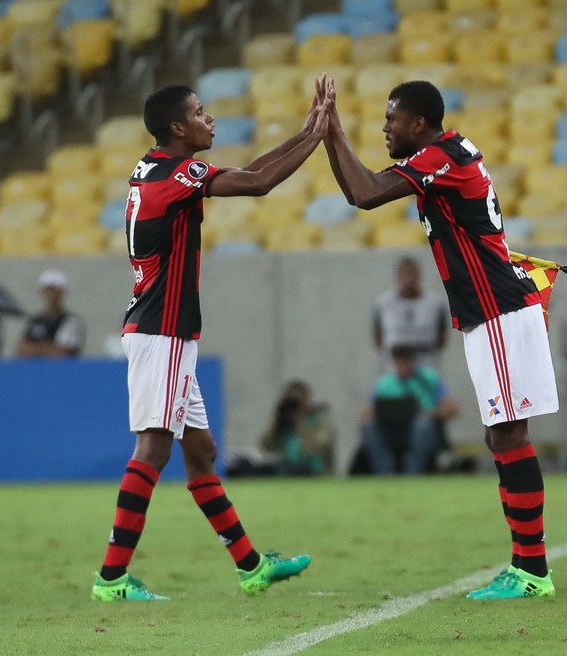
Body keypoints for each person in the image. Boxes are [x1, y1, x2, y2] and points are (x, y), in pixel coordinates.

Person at [91, 78, 332, 601]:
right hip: (163, 331)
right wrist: (314, 137)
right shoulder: (175, 177)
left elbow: (250, 172)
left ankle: (250, 566)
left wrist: (304, 131)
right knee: (153, 450)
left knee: (201, 452)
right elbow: (258, 183)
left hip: (162, 329)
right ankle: (111, 579)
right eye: (201, 112)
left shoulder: (153, 166)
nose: (211, 119)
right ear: (178, 127)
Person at [323, 78, 559, 599]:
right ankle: (527, 566)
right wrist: (330, 137)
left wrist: (332, 130)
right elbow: (359, 189)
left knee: (509, 435)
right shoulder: (445, 154)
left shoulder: (440, 158)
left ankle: (533, 571)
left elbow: (363, 194)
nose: (384, 127)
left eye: (392, 119)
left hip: (498, 309)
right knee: (501, 435)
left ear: (420, 125)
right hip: (490, 311)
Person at [360, 344, 458, 475]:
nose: (403, 367)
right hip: (391, 430)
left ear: (413, 361)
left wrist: (427, 413)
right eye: (399, 363)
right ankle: (384, 473)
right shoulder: (384, 383)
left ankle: (412, 473)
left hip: (421, 431)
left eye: (406, 362)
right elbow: (367, 412)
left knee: (422, 424)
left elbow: (452, 409)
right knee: (367, 425)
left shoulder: (429, 379)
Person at [372, 257, 448, 372]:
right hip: (393, 370)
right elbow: (378, 337)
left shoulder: (436, 304)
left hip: (427, 367)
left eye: (412, 273)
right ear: (397, 276)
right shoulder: (383, 304)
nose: (409, 278)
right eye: (405, 274)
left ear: (420, 275)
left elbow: (441, 338)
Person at [259, 380, 336, 476]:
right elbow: (266, 446)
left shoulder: (320, 421)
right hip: (287, 468)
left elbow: (316, 447)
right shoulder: (285, 423)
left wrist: (300, 422)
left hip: (315, 470)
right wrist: (276, 423)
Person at [16, 269, 86, 358]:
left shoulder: (72, 321)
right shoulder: (35, 320)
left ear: (61, 292)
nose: (50, 294)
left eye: (53, 289)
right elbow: (21, 349)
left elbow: (63, 353)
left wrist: (35, 348)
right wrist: (48, 347)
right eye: (47, 289)